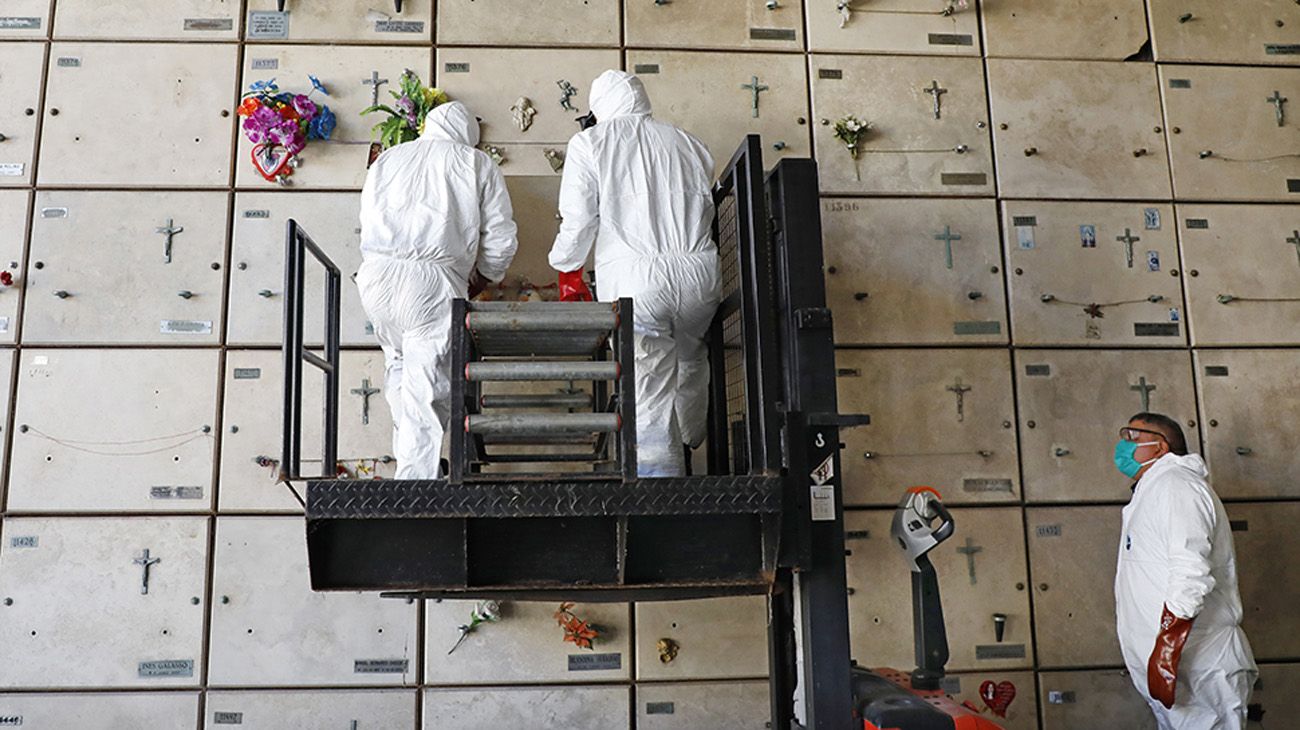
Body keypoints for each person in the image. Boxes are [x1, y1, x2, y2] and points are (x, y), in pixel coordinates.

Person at [548, 69, 721, 478]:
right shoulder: (690, 143)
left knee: (649, 388)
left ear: (599, 108)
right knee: (692, 356)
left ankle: (663, 489)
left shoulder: (590, 143)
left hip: (636, 280)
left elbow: (578, 223)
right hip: (698, 272)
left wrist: (563, 263)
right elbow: (705, 206)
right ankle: (693, 435)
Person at [356, 101, 518, 479]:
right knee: (427, 385)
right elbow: (501, 239)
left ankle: (410, 459)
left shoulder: (388, 159)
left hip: (376, 277)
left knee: (397, 362)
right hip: (432, 282)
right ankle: (415, 481)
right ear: (469, 135)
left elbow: (365, 219)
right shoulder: (475, 164)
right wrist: (483, 278)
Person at [1113, 412, 1256, 729]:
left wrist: (1166, 651)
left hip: (1200, 667)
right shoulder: (1154, 490)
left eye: (1132, 436)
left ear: (1160, 447)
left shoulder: (1177, 487)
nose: (1122, 445)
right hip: (1182, 671)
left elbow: (1191, 573)